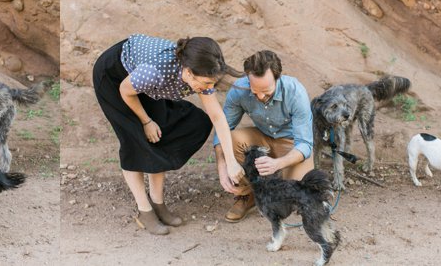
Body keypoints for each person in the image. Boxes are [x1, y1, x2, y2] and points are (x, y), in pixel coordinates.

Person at [92, 34, 242, 235]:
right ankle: (145, 211)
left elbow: (217, 117)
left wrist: (231, 161)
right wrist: (146, 121)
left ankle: (158, 203)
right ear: (188, 73)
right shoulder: (154, 72)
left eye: (212, 83)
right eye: (205, 83)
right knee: (134, 141)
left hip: (142, 80)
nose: (208, 88)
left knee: (168, 132)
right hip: (114, 78)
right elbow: (126, 90)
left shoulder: (200, 71)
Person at [212, 50, 314, 223]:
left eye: (266, 91)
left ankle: (275, 183)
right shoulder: (239, 89)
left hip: (291, 144)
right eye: (255, 90)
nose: (260, 96)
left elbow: (305, 144)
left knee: (296, 195)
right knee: (231, 139)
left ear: (277, 78)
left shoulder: (295, 92)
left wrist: (278, 164)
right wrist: (222, 165)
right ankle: (249, 194)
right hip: (262, 137)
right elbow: (222, 129)